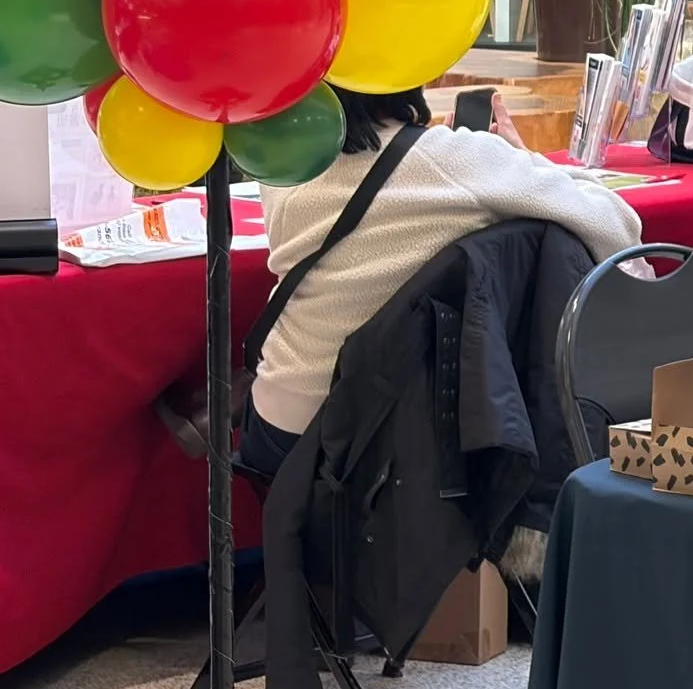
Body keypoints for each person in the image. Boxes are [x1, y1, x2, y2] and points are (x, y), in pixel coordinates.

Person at [238, 87, 643, 476]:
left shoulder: (282, 170)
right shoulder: (460, 160)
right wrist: (523, 156)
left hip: (285, 428)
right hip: (410, 443)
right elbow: (618, 226)